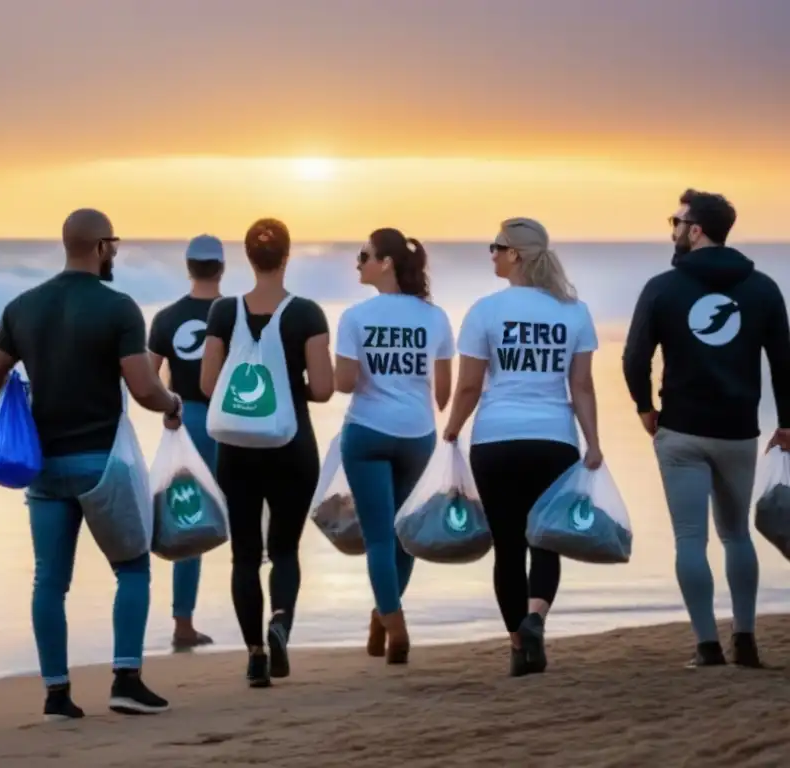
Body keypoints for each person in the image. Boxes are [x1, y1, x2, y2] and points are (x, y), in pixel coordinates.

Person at [0, 208, 183, 719]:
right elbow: (142, 388)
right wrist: (173, 403)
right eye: (114, 243)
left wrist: (32, 380)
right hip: (101, 464)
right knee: (132, 566)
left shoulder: (22, 307)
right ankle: (126, 682)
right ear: (100, 247)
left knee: (49, 580)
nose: (116, 251)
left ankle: (56, 694)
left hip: (43, 466)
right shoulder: (118, 308)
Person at [622, 189, 790, 669]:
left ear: (695, 230)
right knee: (737, 535)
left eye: (676, 221)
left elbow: (635, 357)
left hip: (681, 431)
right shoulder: (763, 288)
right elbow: (783, 363)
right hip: (738, 432)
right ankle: (747, 640)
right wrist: (788, 422)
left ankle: (706, 646)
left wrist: (643, 406)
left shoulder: (662, 287)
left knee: (689, 539)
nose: (672, 230)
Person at [444, 217, 601, 677]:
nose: (491, 254)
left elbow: (469, 387)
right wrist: (594, 443)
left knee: (508, 548)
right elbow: (583, 387)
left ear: (515, 254)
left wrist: (451, 428)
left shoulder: (485, 311)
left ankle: (519, 647)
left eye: (497, 247)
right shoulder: (574, 311)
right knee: (546, 541)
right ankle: (536, 619)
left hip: (496, 441)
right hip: (554, 441)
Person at [200, 218, 334, 688]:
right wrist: (286, 384)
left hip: (236, 448)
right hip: (291, 445)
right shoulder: (308, 314)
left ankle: (255, 655)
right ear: (287, 255)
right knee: (284, 550)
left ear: (247, 258)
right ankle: (280, 621)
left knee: (244, 555)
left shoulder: (222, 311)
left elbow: (207, 385)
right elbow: (322, 388)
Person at [334, 229, 454, 664]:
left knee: (379, 538)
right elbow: (443, 394)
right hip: (416, 434)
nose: (358, 261)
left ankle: (393, 621)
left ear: (384, 263)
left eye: (363, 254)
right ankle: (384, 615)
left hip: (366, 430)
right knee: (405, 538)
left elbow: (344, 385)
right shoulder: (435, 318)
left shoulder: (354, 317)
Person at [147, 234, 225, 650]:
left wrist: (169, 406)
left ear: (188, 266)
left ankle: (183, 622)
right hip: (233, 422)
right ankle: (262, 618)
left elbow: (147, 378)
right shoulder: (237, 312)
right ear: (222, 268)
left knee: (188, 520)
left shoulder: (166, 318)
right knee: (246, 516)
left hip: (187, 421)